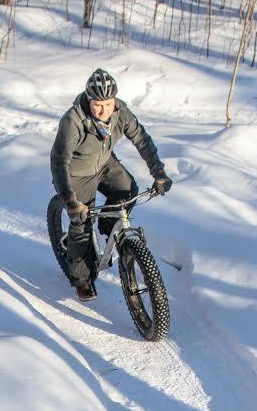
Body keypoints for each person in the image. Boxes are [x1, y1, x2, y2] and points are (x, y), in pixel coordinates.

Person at [50, 68, 173, 301]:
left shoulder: (120, 112)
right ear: (89, 99)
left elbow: (141, 139)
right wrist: (69, 200)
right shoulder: (73, 120)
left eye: (108, 102)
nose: (104, 109)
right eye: (98, 104)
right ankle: (82, 278)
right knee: (81, 225)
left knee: (128, 191)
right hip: (77, 172)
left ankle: (109, 227)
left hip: (105, 163)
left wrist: (158, 171)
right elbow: (59, 162)